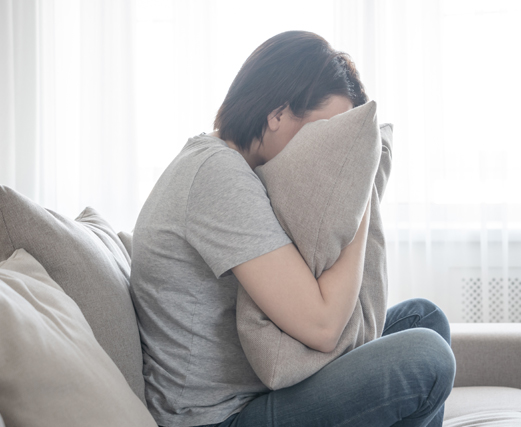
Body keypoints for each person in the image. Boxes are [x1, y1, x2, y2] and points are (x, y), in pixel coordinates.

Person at [130, 30, 455, 427]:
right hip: (218, 418)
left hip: (257, 393)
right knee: (427, 357)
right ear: (278, 113)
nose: (333, 151)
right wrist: (359, 185)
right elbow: (322, 326)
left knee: (424, 318)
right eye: (325, 131)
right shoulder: (216, 175)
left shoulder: (235, 168)